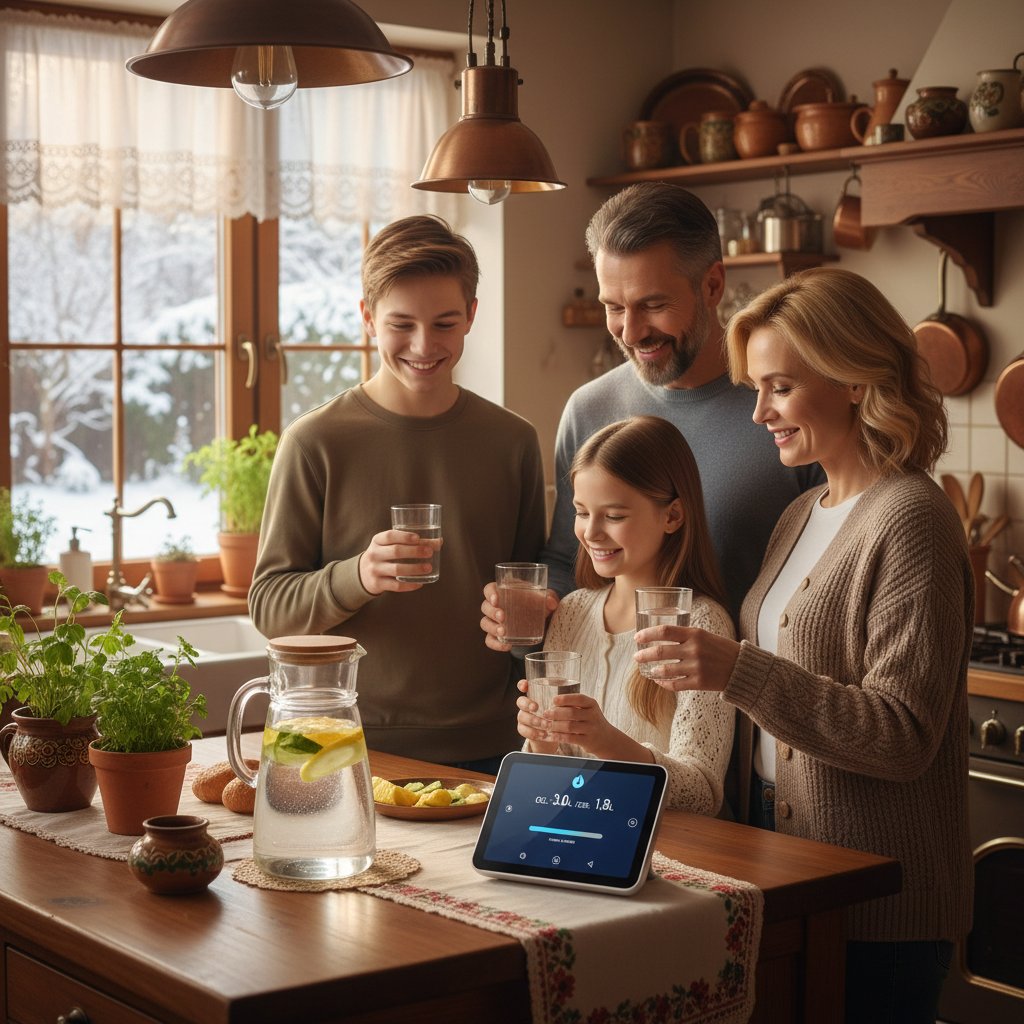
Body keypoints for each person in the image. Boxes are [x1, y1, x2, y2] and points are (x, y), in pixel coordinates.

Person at [634, 267, 972, 1023]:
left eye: (779, 388)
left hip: (880, 904)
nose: (758, 413)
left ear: (854, 380)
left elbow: (903, 737)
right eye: (756, 388)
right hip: (789, 878)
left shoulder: (910, 517)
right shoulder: (803, 513)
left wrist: (738, 671)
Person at [249, 215, 547, 774]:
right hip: (335, 741)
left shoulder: (514, 441)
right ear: (367, 319)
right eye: (401, 324)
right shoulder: (314, 442)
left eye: (444, 323)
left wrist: (531, 613)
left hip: (490, 745)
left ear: (472, 318)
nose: (423, 345)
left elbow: (536, 589)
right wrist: (358, 575)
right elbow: (269, 606)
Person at [480, 182, 823, 652]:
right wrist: (537, 607)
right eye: (613, 307)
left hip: (758, 708)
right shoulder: (588, 409)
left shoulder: (786, 409)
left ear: (713, 285)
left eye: (653, 305)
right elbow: (568, 557)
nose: (632, 331)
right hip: (618, 706)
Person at [517, 415, 735, 814]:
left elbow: (702, 796)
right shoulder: (572, 611)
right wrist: (540, 743)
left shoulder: (701, 625)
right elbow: (550, 784)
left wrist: (605, 742)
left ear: (672, 516)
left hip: (660, 852)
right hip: (571, 835)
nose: (591, 532)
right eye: (582, 512)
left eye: (614, 516)